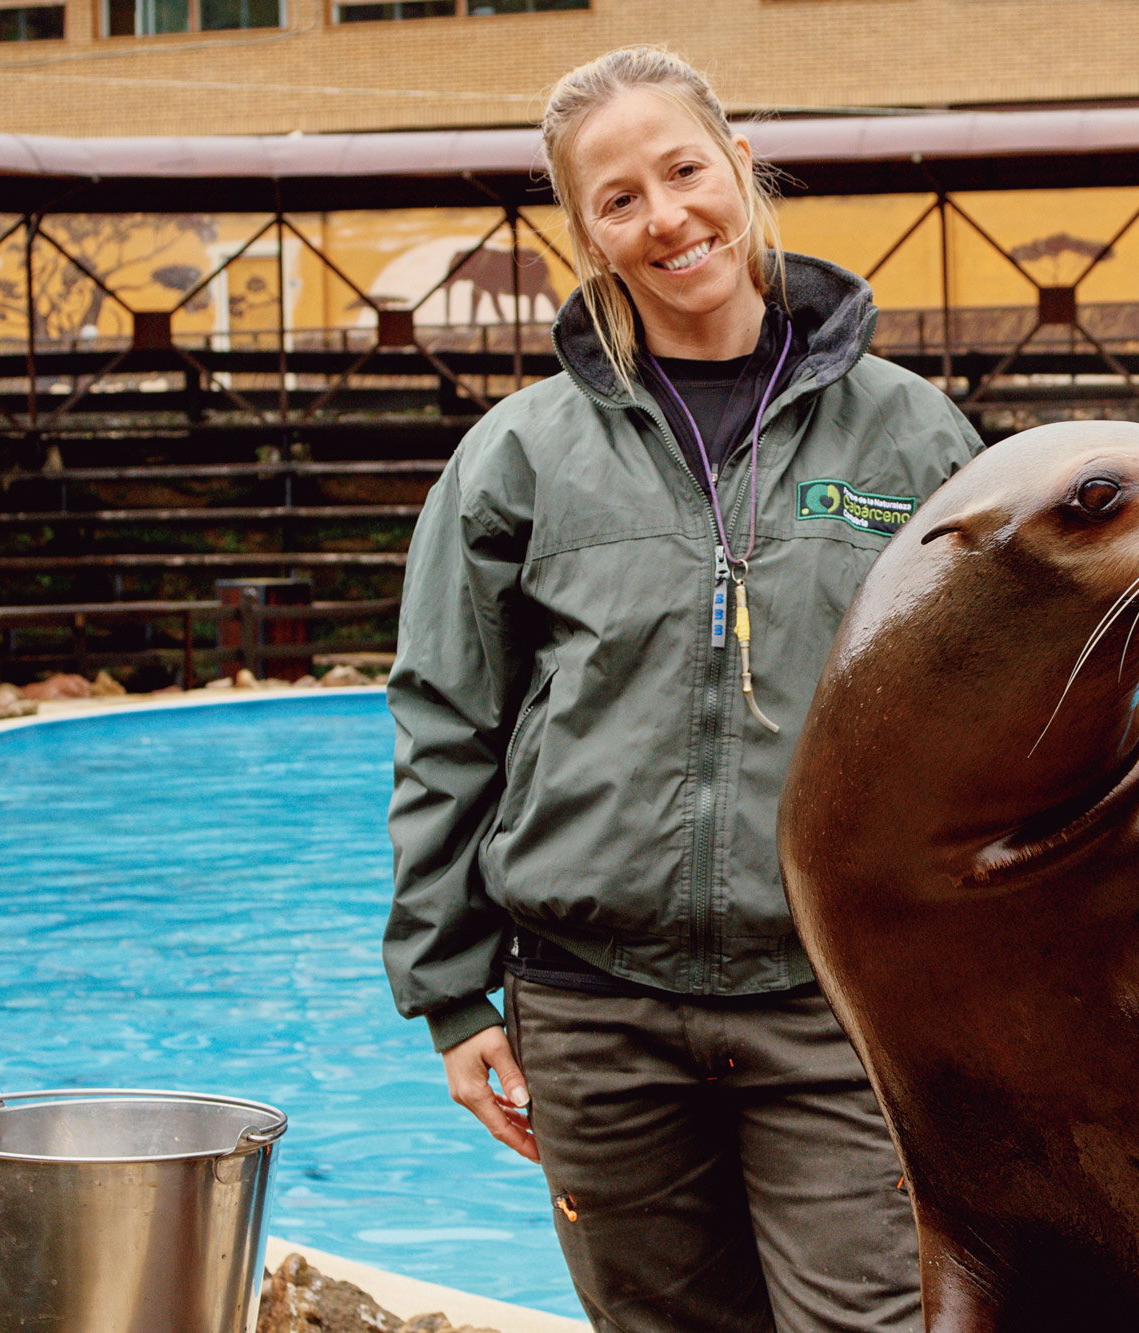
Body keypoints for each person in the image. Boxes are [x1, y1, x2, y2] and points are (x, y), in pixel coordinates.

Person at [383, 45, 984, 1333]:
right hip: (593, 1016)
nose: (665, 218)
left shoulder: (916, 436)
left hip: (835, 1009)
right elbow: (447, 721)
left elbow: (991, 719)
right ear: (585, 232)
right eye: (618, 199)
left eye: (683, 171)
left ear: (740, 167)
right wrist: (449, 994)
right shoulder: (518, 456)